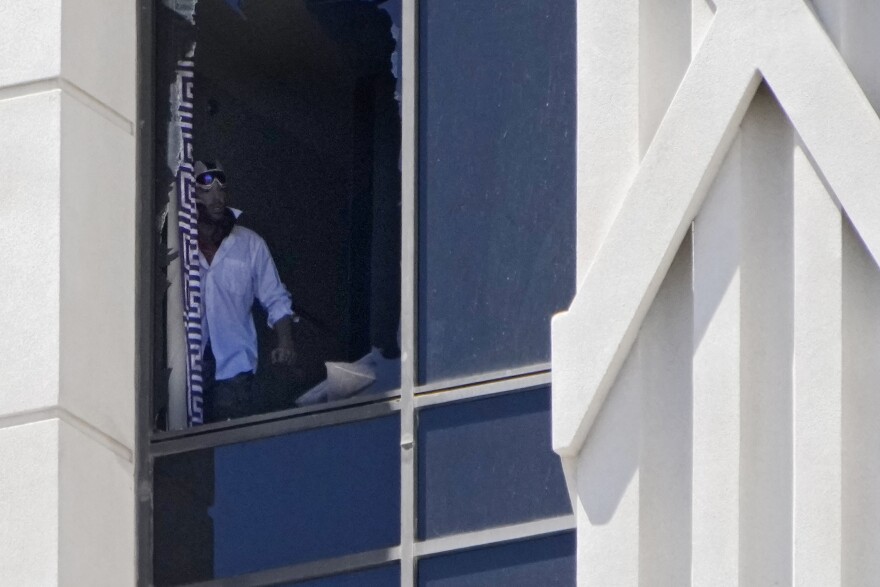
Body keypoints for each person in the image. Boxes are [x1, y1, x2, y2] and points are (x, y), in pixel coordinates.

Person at [193, 160, 296, 422]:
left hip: (235, 366)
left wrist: (285, 342)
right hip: (189, 370)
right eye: (207, 191)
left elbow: (275, 297)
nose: (217, 198)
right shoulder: (180, 243)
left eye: (221, 190)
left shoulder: (250, 243)